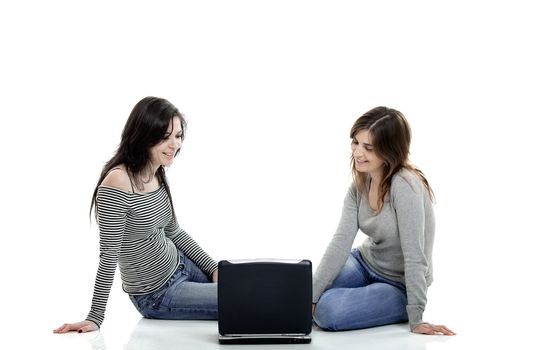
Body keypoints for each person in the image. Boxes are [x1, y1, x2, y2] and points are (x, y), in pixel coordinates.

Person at [54, 97, 218, 334]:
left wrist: (213, 268)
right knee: (241, 301)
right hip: (158, 294)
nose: (174, 145)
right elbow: (109, 255)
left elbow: (173, 231)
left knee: (240, 284)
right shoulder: (118, 182)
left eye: (178, 135)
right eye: (165, 137)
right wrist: (95, 317)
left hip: (180, 264)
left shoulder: (157, 169)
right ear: (143, 135)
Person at [312, 107, 455, 335]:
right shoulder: (359, 184)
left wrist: (416, 317)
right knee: (303, 292)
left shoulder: (405, 186)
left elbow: (415, 255)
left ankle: (389, 306)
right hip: (364, 262)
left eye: (368, 147)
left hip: (398, 283)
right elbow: (340, 242)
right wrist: (310, 296)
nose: (358, 153)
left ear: (390, 150)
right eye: (355, 142)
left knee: (328, 311)